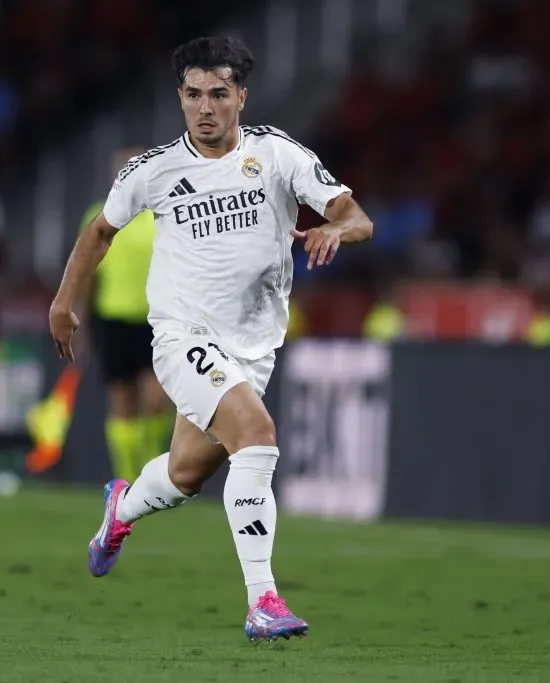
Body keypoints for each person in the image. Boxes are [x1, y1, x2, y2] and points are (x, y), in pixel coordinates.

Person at [48, 36, 373, 641]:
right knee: (257, 435)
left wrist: (337, 229)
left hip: (255, 345)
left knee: (185, 475)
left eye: (219, 94)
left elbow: (357, 215)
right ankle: (263, 601)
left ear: (241, 97)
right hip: (181, 336)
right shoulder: (155, 170)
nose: (205, 107)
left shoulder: (277, 156)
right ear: (180, 97)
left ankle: (121, 508)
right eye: (194, 94)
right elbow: (99, 232)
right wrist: (65, 302)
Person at [82, 148, 172, 482]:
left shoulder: (162, 216)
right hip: (113, 317)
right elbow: (89, 271)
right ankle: (126, 478)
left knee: (157, 399)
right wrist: (84, 317)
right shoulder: (100, 214)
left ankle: (152, 470)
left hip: (155, 320)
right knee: (122, 402)